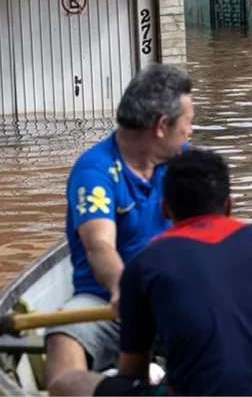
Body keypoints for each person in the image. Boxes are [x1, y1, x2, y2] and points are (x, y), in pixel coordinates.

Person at [48, 148, 252, 397]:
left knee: (67, 382)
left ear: (165, 209)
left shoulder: (145, 263)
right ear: (229, 205)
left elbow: (131, 375)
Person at [44, 64, 194, 387]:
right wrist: (124, 289)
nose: (190, 132)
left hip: (172, 296)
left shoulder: (184, 162)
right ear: (161, 126)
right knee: (62, 339)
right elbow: (100, 246)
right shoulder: (95, 170)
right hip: (106, 301)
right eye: (187, 124)